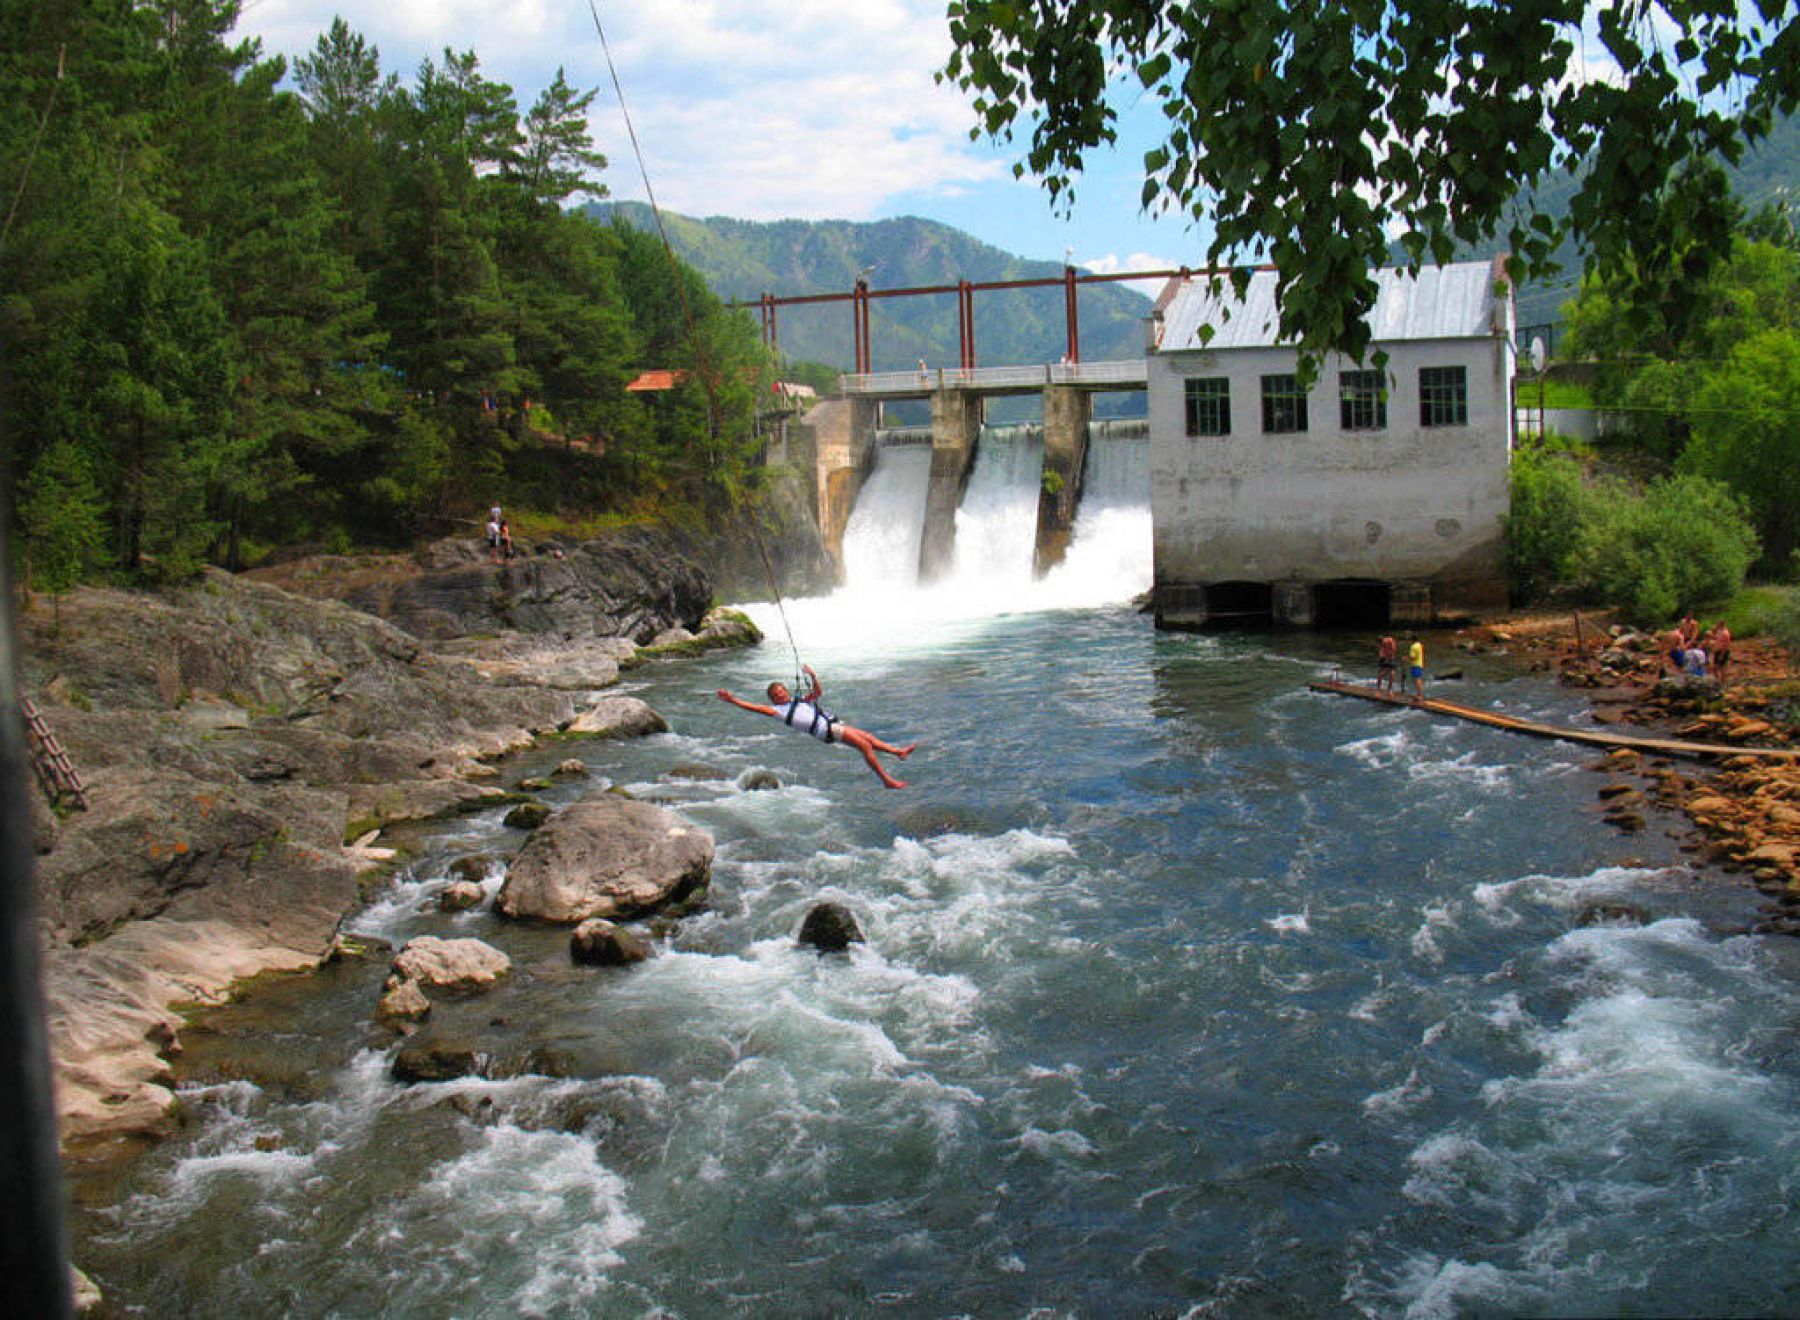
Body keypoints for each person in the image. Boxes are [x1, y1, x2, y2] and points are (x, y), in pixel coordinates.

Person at [717, 665, 915, 789]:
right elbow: (754, 708)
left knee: (868, 737)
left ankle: (897, 752)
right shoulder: (778, 711)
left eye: (782, 691)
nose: (781, 695)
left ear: (786, 690)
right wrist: (733, 700)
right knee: (864, 746)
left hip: (832, 723)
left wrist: (813, 675)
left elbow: (817, 693)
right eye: (776, 695)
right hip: (826, 731)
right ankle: (886, 780)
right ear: (773, 700)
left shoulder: (798, 701)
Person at [1406, 635, 1425, 702]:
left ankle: (1420, 696)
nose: (1408, 641)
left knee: (1416, 680)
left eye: (1409, 639)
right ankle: (1420, 694)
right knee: (1418, 679)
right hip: (1420, 664)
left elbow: (1413, 657)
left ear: (1412, 640)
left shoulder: (1413, 647)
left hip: (1415, 665)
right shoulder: (1420, 644)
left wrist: (1405, 659)